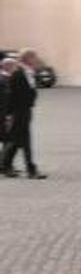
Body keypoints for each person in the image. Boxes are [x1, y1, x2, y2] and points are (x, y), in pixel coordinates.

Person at [1, 49, 46, 179]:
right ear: (28, 59)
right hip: (18, 112)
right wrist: (8, 115)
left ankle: (4, 166)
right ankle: (31, 169)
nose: (37, 60)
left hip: (26, 110)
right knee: (24, 141)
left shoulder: (29, 72)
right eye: (35, 57)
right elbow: (10, 96)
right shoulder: (18, 73)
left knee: (15, 140)